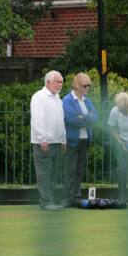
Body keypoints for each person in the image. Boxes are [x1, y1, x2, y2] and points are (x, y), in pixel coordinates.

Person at [30, 70, 67, 211]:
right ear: (47, 82)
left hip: (57, 142)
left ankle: (50, 200)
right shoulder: (39, 97)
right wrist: (42, 139)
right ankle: (46, 202)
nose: (60, 85)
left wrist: (63, 140)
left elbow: (61, 122)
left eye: (61, 82)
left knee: (54, 174)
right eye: (57, 82)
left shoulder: (58, 98)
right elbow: (38, 120)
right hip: (44, 143)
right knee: (44, 173)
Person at [61, 73, 98, 208]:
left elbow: (95, 118)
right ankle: (67, 198)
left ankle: (76, 197)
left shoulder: (87, 101)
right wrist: (86, 118)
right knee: (70, 170)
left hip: (85, 139)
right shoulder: (67, 100)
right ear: (77, 85)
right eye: (85, 85)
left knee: (79, 170)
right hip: (72, 140)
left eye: (89, 85)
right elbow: (71, 120)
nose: (87, 88)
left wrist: (83, 117)